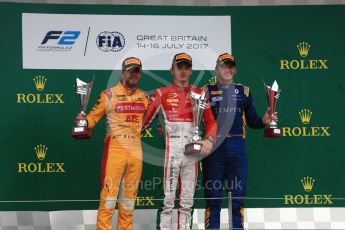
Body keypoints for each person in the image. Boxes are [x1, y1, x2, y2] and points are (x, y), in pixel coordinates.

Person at [202, 53, 278, 229]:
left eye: (230, 66)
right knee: (213, 197)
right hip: (214, 148)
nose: (227, 69)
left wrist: (264, 120)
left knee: (237, 198)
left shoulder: (244, 91)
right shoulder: (205, 91)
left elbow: (253, 122)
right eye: (223, 66)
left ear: (235, 70)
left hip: (238, 148)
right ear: (216, 69)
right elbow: (194, 119)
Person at [142, 53, 217, 230]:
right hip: (172, 153)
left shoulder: (199, 94)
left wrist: (210, 139)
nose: (183, 71)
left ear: (191, 71)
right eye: (179, 67)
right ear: (172, 70)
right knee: (167, 202)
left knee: (187, 203)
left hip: (192, 151)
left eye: (187, 67)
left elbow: (211, 122)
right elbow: (142, 123)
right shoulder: (161, 93)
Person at [79, 57, 148, 230]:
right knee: (109, 200)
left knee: (128, 202)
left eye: (137, 71)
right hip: (115, 148)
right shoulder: (108, 94)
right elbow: (93, 118)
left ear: (140, 74)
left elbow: (155, 118)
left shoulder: (145, 97)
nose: (133, 74)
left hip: (136, 150)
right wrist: (83, 121)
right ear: (122, 73)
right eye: (130, 71)